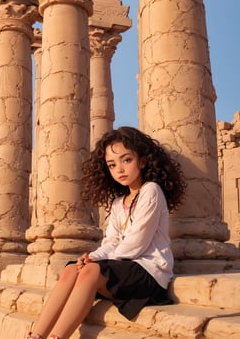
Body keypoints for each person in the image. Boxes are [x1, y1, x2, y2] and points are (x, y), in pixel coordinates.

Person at [27, 126, 186, 339]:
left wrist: (96, 264)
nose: (119, 169)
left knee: (91, 272)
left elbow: (137, 242)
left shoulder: (151, 190)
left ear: (143, 160)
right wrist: (92, 257)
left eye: (126, 160)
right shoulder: (119, 203)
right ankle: (35, 336)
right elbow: (110, 242)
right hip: (124, 268)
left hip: (151, 272)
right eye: (112, 165)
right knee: (71, 270)